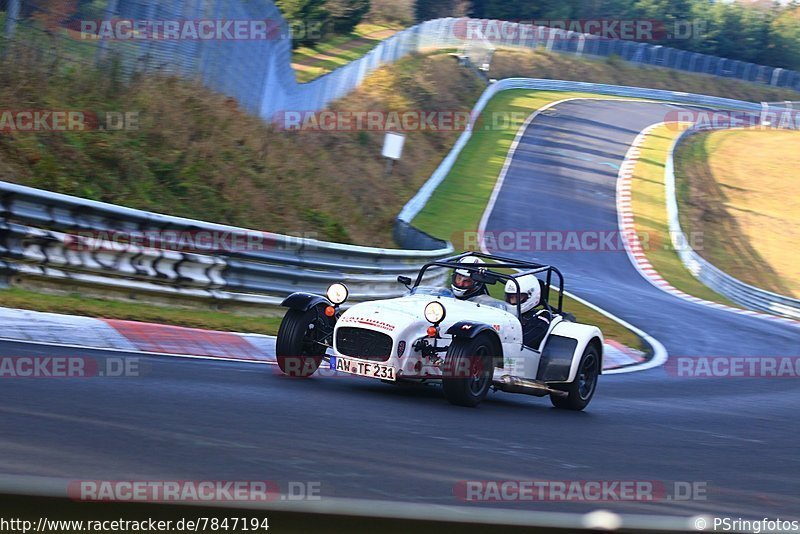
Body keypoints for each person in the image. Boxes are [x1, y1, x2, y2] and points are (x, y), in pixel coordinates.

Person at [504, 274, 552, 349]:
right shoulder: (505, 313)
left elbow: (521, 343)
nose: (512, 301)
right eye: (510, 297)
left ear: (531, 295)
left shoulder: (541, 318)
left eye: (517, 297)